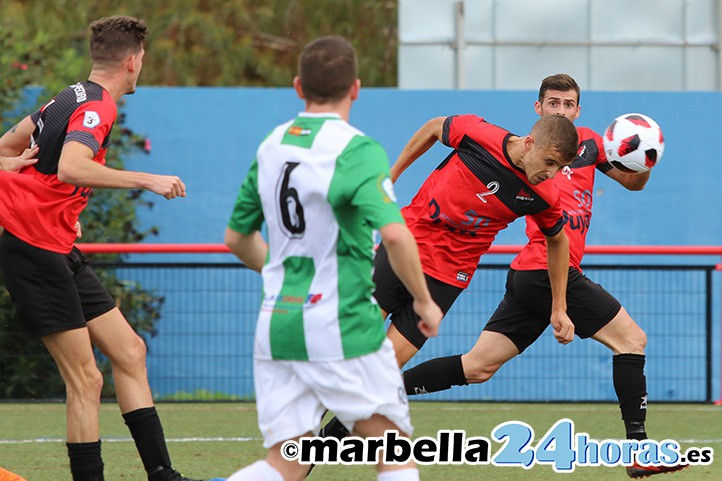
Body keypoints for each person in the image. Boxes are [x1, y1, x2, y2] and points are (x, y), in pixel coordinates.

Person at [401, 74, 687, 478]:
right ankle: (638, 449)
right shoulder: (528, 153)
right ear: (539, 110)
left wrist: (646, 158)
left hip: (529, 276)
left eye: (569, 104)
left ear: (578, 110)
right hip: (545, 271)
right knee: (632, 339)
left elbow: (632, 180)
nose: (562, 110)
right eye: (554, 103)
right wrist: (559, 305)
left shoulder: (589, 145)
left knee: (477, 368)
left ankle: (385, 395)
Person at [223, 35, 442, 481]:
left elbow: (236, 238)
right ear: (356, 89)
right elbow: (396, 237)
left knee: (286, 461)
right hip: (339, 322)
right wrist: (423, 300)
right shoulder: (357, 150)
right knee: (394, 450)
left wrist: (283, 275)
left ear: (298, 86)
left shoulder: (273, 145)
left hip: (279, 322)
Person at [315, 90, 580, 450]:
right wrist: (389, 177)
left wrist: (559, 306)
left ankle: (313, 452)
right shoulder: (478, 133)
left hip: (446, 279)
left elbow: (559, 241)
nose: (549, 174)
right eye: (547, 162)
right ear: (530, 142)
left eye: (557, 168)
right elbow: (431, 128)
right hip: (407, 246)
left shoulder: (544, 194)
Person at [0, 16, 204, 481]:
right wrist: (147, 179)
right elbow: (73, 167)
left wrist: (10, 164)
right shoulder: (98, 107)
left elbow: (6, 146)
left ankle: (162, 475)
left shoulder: (65, 97)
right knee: (86, 379)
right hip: (34, 248)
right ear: (132, 62)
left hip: (57, 247)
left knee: (130, 352)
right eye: (143, 61)